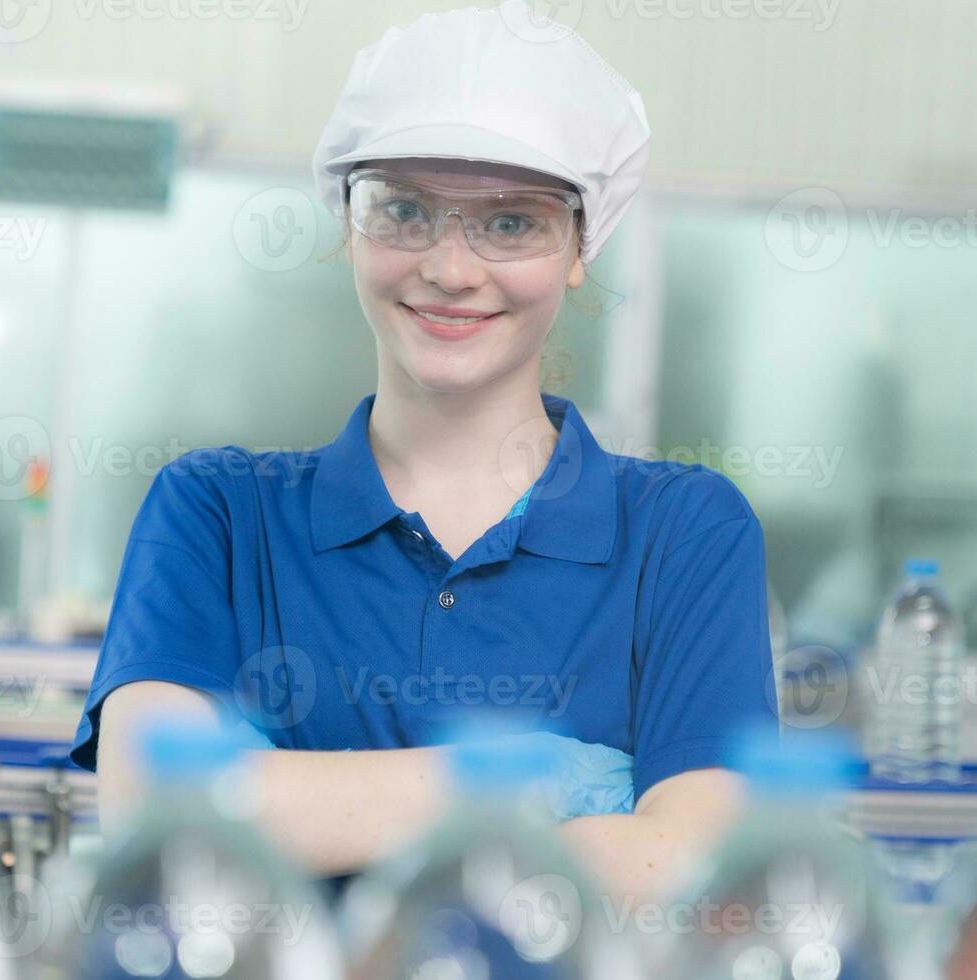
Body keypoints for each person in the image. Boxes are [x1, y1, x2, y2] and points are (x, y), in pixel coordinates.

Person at [68, 0, 776, 902]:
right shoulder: (218, 512)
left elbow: (691, 869)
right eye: (404, 209)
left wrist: (273, 797)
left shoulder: (685, 532)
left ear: (578, 248)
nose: (450, 268)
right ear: (347, 226)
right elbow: (157, 819)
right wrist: (524, 781)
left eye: (511, 222)